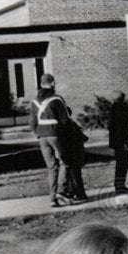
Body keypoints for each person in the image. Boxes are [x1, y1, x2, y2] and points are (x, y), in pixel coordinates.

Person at [30, 73, 83, 209]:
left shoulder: (35, 101)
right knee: (66, 162)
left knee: (51, 167)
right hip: (55, 134)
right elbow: (65, 120)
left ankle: (52, 198)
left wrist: (38, 133)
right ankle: (62, 191)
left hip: (42, 136)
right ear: (53, 83)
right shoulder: (57, 99)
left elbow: (32, 122)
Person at [107, 91, 128, 193]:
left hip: (116, 141)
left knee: (121, 162)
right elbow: (122, 128)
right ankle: (120, 185)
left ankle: (119, 185)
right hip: (121, 141)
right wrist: (125, 142)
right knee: (123, 162)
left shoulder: (113, 109)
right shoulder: (120, 109)